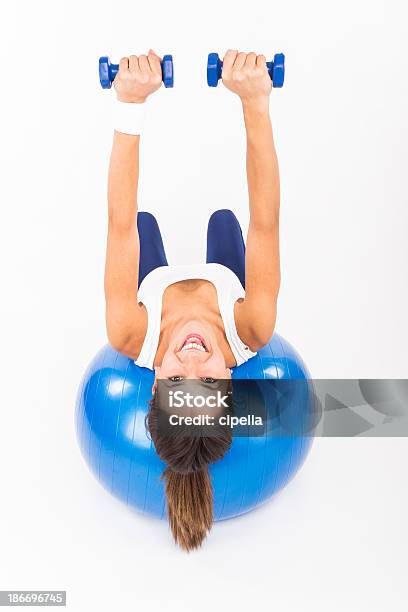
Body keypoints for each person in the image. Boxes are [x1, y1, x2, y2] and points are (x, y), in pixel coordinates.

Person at [104, 49, 281, 550]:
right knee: (228, 221)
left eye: (177, 378)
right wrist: (255, 100)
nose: (194, 358)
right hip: (222, 276)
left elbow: (118, 221)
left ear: (153, 378)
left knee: (140, 228)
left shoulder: (129, 332)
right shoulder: (251, 327)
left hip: (153, 286)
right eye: (209, 380)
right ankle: (218, 235)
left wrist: (130, 103)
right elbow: (265, 219)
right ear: (232, 378)